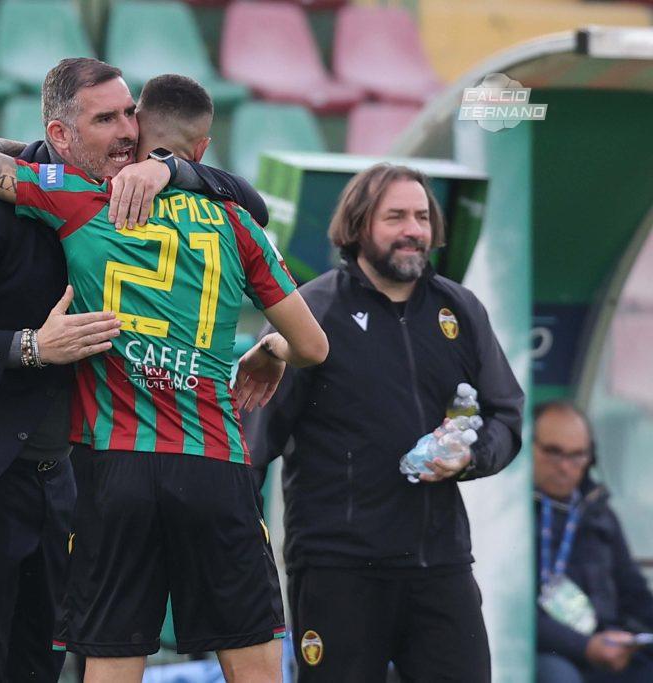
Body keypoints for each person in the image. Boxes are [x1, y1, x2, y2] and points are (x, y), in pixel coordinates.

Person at [0, 72, 329, 683]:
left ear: (136, 132)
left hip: (112, 470)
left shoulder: (76, 198)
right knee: (252, 661)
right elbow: (314, 345)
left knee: (115, 659)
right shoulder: (237, 223)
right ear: (200, 149)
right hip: (214, 463)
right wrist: (269, 350)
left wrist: (30, 147)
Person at [242, 163, 525, 682]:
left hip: (440, 564)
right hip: (337, 569)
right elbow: (253, 441)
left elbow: (505, 414)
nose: (413, 230)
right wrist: (238, 547)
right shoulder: (311, 310)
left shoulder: (459, 310)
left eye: (421, 216)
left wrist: (470, 455)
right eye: (395, 216)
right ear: (358, 225)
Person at [532, 401, 653, 683]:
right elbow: (513, 613)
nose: (564, 467)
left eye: (577, 456)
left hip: (608, 643)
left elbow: (632, 589)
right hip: (551, 649)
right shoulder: (511, 517)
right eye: (553, 452)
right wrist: (585, 647)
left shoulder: (598, 511)